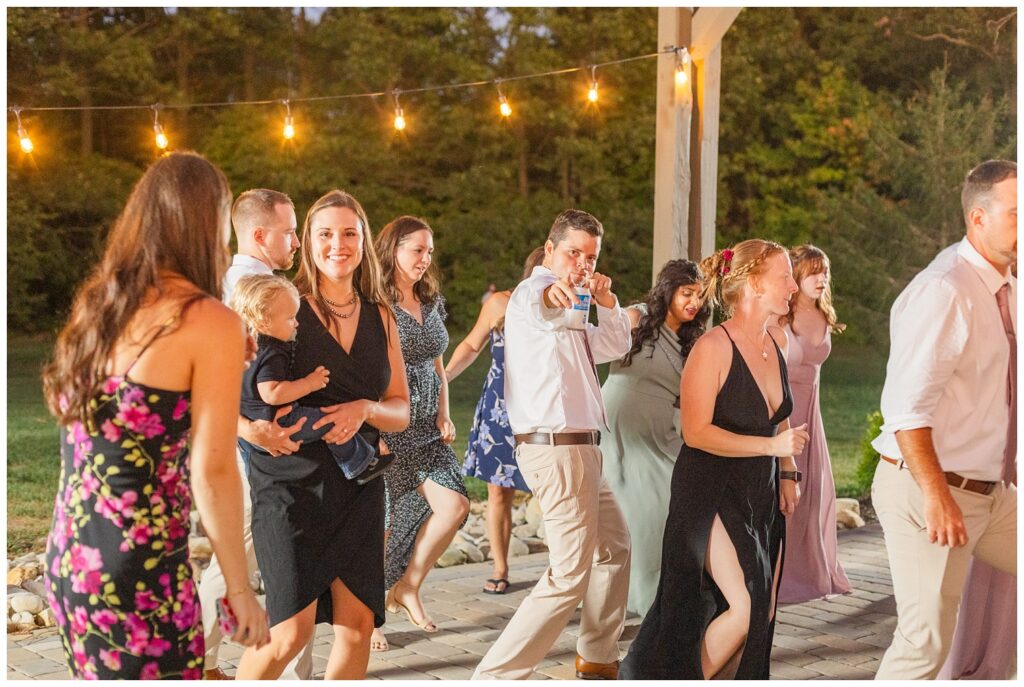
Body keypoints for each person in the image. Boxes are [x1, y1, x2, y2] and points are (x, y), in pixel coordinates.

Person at [41, 151, 269, 679]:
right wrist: (239, 591)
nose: (227, 241)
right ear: (203, 224)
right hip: (138, 570)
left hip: (73, 556)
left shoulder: (99, 305)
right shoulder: (205, 319)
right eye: (223, 220)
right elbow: (211, 472)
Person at [235, 190, 410, 679]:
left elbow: (400, 411)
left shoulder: (382, 315)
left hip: (358, 487)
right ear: (307, 242)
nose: (339, 244)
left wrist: (365, 408)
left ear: (364, 242)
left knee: (356, 628)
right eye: (325, 234)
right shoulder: (278, 306)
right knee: (289, 633)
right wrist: (249, 429)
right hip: (290, 487)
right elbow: (218, 392)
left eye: (349, 233)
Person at [620, 239, 807, 680]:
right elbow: (696, 432)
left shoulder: (774, 342)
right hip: (710, 490)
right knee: (743, 607)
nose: (793, 286)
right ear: (755, 284)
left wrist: (786, 473)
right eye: (784, 277)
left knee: (762, 610)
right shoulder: (713, 348)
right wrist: (771, 450)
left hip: (760, 490)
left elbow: (776, 417)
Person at [871, 159, 1017, 679]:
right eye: (1016, 216)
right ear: (978, 219)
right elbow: (907, 410)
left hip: (991, 495)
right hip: (928, 489)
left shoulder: (1008, 288)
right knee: (924, 643)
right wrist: (937, 497)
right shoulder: (945, 290)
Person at [472, 209, 632, 681]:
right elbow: (540, 301)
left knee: (614, 548)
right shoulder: (530, 293)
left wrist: (607, 299)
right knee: (567, 573)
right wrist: (552, 288)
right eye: (572, 253)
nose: (581, 264)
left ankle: (598, 657)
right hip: (556, 447)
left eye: (590, 256)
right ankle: (496, 676)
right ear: (549, 250)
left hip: (584, 448)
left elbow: (614, 346)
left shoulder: (579, 303)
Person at [198, 188, 314, 680]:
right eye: (289, 231)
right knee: (233, 564)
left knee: (247, 561)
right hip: (249, 453)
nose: (296, 240)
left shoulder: (258, 282)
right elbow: (211, 380)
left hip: (260, 447)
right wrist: (252, 431)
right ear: (260, 234)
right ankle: (197, 664)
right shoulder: (244, 292)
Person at [372, 216, 469, 651]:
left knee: (455, 505)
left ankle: (409, 585)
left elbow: (437, 365)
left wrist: (445, 413)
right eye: (417, 250)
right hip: (392, 428)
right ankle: (369, 615)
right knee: (385, 525)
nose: (425, 259)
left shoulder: (430, 300)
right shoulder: (375, 302)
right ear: (393, 250)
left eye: (429, 250)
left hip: (428, 429)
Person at [601, 258, 708, 617]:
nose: (694, 302)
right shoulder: (637, 317)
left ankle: (657, 598)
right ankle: (623, 599)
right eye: (686, 293)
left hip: (660, 431)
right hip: (617, 426)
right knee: (627, 511)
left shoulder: (695, 341)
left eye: (699, 295)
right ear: (669, 290)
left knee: (663, 507)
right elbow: (598, 344)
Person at [447, 246, 546, 595]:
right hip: (499, 409)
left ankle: (561, 572)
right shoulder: (500, 304)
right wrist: (442, 379)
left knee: (551, 490)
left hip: (541, 411)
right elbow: (472, 346)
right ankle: (501, 567)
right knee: (498, 491)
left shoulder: (561, 309)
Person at [230, 273, 387, 483]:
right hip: (284, 419)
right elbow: (272, 393)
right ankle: (359, 464)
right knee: (329, 420)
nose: (296, 324)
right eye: (290, 318)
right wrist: (309, 384)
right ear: (264, 321)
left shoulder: (246, 348)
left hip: (257, 422)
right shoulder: (273, 353)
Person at [776, 245, 852, 604]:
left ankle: (810, 569)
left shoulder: (824, 314)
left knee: (813, 493)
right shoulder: (780, 318)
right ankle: (779, 572)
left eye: (825, 272)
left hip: (812, 414)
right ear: (796, 277)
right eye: (813, 272)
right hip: (783, 414)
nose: (821, 279)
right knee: (783, 493)